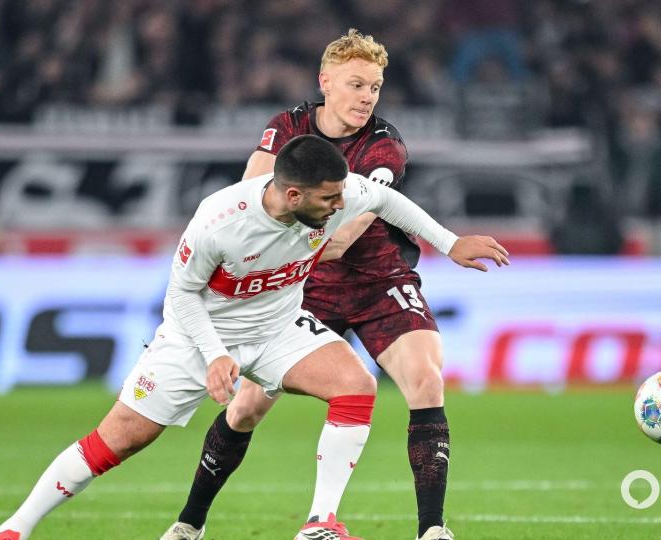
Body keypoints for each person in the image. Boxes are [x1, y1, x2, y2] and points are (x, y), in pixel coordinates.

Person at [0, 135, 509, 540]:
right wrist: (214, 356)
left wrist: (448, 243)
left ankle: (320, 521)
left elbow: (392, 204)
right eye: (327, 200)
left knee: (355, 386)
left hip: (278, 326)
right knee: (116, 441)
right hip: (199, 338)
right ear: (293, 193)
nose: (338, 208)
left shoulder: (336, 192)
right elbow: (182, 297)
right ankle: (15, 527)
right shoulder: (219, 220)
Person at [162, 30, 479, 540]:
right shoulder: (285, 127)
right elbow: (251, 191)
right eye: (356, 84)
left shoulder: (385, 145)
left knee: (426, 379)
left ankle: (432, 530)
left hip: (379, 280)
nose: (366, 97)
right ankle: (189, 523)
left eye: (374, 87)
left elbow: (343, 235)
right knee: (245, 408)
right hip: (302, 286)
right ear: (325, 82)